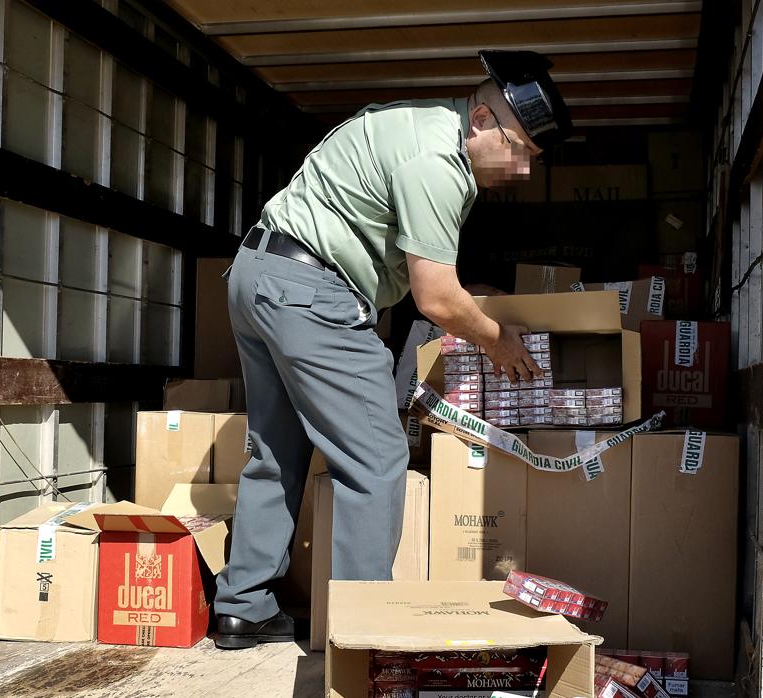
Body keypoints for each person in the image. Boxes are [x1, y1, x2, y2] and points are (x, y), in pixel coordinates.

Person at [213, 50, 572, 649]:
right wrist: (495, 339)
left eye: (532, 158)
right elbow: (435, 298)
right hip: (312, 292)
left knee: (276, 449)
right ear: (481, 119)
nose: (522, 170)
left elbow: (427, 274)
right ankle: (361, 637)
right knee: (377, 459)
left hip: (258, 274)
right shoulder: (438, 164)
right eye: (517, 149)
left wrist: (473, 303)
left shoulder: (420, 125)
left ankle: (243, 607)